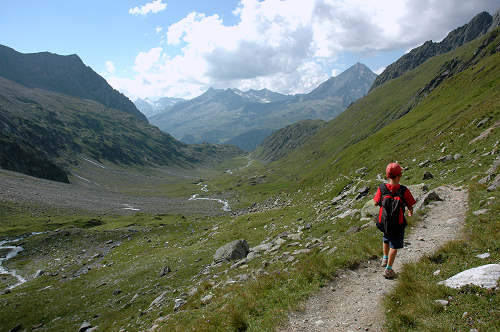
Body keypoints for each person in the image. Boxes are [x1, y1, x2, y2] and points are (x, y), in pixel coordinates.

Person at [373, 162, 416, 279]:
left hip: (384, 222)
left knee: (386, 238)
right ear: (399, 176)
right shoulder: (403, 190)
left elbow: (376, 202)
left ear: (387, 176)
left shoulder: (382, 188)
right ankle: (388, 269)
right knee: (394, 246)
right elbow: (410, 203)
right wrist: (410, 211)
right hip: (398, 224)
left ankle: (385, 258)